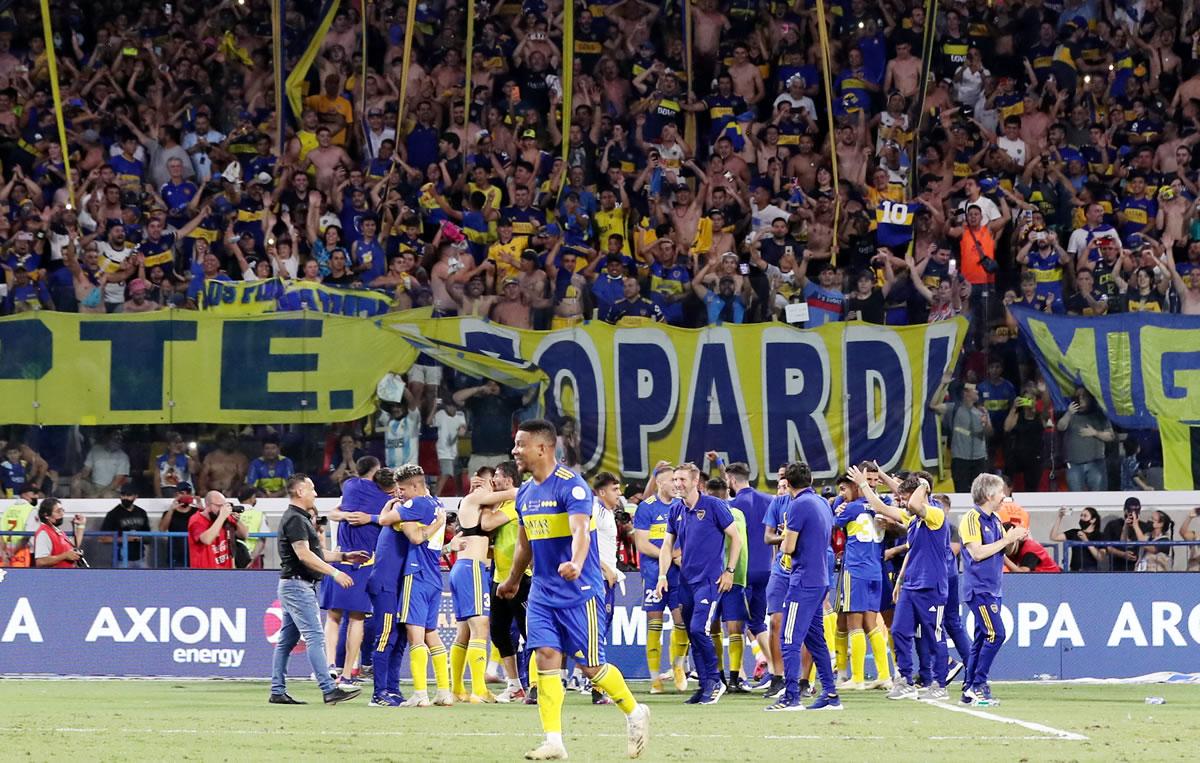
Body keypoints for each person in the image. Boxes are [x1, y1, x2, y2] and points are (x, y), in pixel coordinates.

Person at [497, 419, 649, 761]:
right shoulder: (524, 492)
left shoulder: (572, 486)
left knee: (591, 667)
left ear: (542, 448)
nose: (515, 450)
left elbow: (581, 531)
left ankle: (634, 712)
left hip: (579, 591)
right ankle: (554, 740)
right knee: (545, 657)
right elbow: (525, 544)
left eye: (520, 444)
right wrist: (513, 579)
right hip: (542, 593)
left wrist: (578, 563)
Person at [269, 473, 366, 706]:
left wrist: (343, 556)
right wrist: (334, 572)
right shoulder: (295, 519)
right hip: (298, 585)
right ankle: (328, 688)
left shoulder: (298, 518)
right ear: (300, 491)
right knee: (314, 636)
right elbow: (304, 556)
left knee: (286, 641)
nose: (315, 493)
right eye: (312, 488)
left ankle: (277, 690)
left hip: (294, 584)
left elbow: (315, 553)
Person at [654, 463, 741, 706]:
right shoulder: (675, 510)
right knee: (691, 632)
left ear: (696, 482)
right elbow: (666, 546)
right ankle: (704, 685)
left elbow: (736, 538)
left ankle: (715, 680)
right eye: (675, 480)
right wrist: (662, 576)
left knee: (698, 629)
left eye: (682, 479)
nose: (678, 484)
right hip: (685, 582)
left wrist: (729, 571)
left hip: (710, 581)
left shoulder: (714, 506)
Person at [768, 461, 840, 711]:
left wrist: (785, 534)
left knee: (788, 638)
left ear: (787, 482)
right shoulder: (821, 502)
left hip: (803, 580)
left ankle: (791, 697)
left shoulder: (798, 505)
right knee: (816, 640)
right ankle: (831, 695)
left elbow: (787, 547)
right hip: (820, 578)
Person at [959, 473, 1028, 707]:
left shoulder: (996, 520)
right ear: (989, 494)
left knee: (981, 638)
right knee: (996, 634)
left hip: (993, 589)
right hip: (979, 589)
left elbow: (1004, 552)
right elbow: (977, 553)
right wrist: (1006, 538)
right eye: (1000, 492)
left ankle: (969, 688)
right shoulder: (971, 518)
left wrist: (1014, 539)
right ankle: (979, 685)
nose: (1004, 497)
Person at [321, 456, 389, 690]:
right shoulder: (385, 497)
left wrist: (342, 515)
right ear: (375, 471)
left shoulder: (350, 487)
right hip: (365, 561)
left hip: (341, 557)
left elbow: (333, 512)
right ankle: (348, 672)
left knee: (333, 615)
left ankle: (329, 665)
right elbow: (392, 519)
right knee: (357, 618)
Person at [389, 464, 453, 708]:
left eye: (403, 488)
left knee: (415, 636)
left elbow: (413, 536)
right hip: (434, 575)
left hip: (416, 574)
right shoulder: (437, 504)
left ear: (416, 486)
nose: (400, 494)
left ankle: (420, 693)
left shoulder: (415, 505)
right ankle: (444, 692)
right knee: (431, 634)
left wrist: (393, 511)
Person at [828, 474, 891, 692]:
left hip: (855, 570)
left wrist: (836, 506)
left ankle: (856, 677)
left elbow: (833, 524)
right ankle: (884, 675)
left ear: (856, 486)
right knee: (871, 625)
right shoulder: (881, 507)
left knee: (853, 623)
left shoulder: (851, 508)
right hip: (875, 570)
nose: (841, 495)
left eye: (844, 489)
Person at [477, 461, 527, 703]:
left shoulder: (516, 503)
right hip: (500, 577)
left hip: (521, 576)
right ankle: (515, 685)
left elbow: (487, 524)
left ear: (508, 480)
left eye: (496, 476)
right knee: (498, 633)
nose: (493, 480)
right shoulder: (504, 503)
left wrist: (487, 502)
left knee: (531, 633)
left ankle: (539, 684)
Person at [447, 474, 498, 704]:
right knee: (481, 629)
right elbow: (514, 494)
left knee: (464, 633)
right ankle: (479, 689)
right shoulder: (474, 499)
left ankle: (457, 688)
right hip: (472, 569)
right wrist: (488, 488)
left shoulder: (472, 505)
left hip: (462, 567)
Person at [631, 464, 683, 694]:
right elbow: (641, 544)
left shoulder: (682, 506)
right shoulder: (647, 508)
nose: (676, 484)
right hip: (653, 574)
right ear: (660, 483)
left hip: (679, 573)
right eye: (672, 480)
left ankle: (678, 668)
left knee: (681, 620)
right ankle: (654, 679)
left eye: (677, 480)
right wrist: (668, 556)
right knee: (654, 622)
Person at [723, 462, 774, 689]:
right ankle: (774, 670)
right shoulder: (769, 500)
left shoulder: (732, 506)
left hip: (744, 571)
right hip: (766, 569)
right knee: (758, 623)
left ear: (732, 481)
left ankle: (745, 673)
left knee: (737, 625)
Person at [187, 491, 248, 569]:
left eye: (224, 505)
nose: (222, 509)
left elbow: (244, 535)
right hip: (204, 572)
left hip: (225, 570)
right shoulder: (196, 520)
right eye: (219, 506)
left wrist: (237, 521)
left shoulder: (225, 517)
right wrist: (221, 517)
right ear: (208, 505)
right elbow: (206, 540)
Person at [100, 484, 151, 568]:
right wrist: (126, 538)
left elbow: (148, 536)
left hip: (140, 558)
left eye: (129, 495)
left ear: (135, 496)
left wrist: (141, 538)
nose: (125, 498)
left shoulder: (141, 512)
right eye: (123, 495)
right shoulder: (113, 514)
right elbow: (102, 539)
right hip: (121, 559)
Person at [1050, 506, 1106, 572]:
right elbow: (1054, 537)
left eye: (1085, 516)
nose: (1082, 518)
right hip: (1074, 570)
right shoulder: (1074, 532)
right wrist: (1060, 517)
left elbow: (1100, 557)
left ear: (1093, 520)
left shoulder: (1099, 536)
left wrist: (1086, 541)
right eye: (1081, 515)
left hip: (1090, 571)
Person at [33, 498, 85, 568]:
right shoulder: (43, 533)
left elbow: (73, 546)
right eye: (58, 511)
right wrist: (65, 556)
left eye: (62, 511)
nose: (62, 514)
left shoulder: (57, 530)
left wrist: (81, 526)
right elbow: (41, 561)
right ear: (46, 515)